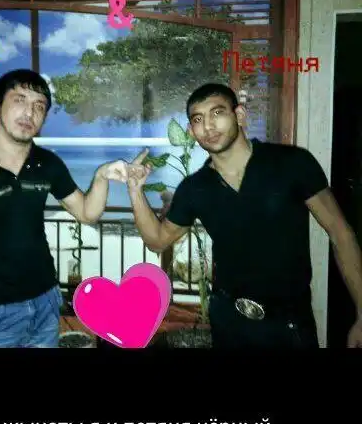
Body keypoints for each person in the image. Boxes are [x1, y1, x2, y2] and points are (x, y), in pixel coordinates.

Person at [0, 69, 145, 348]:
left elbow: (87, 213)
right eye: (20, 100)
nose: (29, 112)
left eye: (39, 106)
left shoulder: (47, 163)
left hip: (45, 301)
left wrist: (101, 177)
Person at [127, 83, 362, 349]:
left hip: (289, 323)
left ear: (239, 115)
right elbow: (158, 240)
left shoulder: (292, 163)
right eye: (198, 119)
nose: (208, 126)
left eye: (217, 113)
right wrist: (135, 190)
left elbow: (341, 234)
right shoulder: (195, 188)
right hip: (229, 321)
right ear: (192, 131)